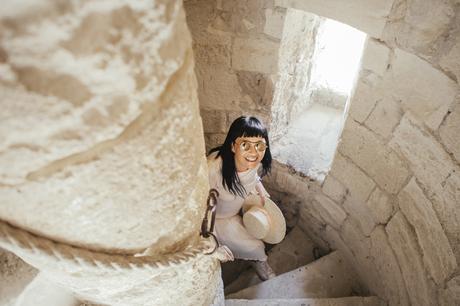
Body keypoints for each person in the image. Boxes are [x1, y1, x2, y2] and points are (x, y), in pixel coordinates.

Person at [207, 116, 276, 281]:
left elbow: (253, 177)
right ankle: (258, 264)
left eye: (259, 145)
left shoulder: (253, 161)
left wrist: (261, 191)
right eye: (246, 145)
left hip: (237, 209)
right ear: (233, 146)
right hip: (219, 220)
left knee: (258, 236)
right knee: (256, 246)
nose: (254, 152)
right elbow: (203, 208)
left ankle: (255, 260)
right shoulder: (213, 168)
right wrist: (213, 243)